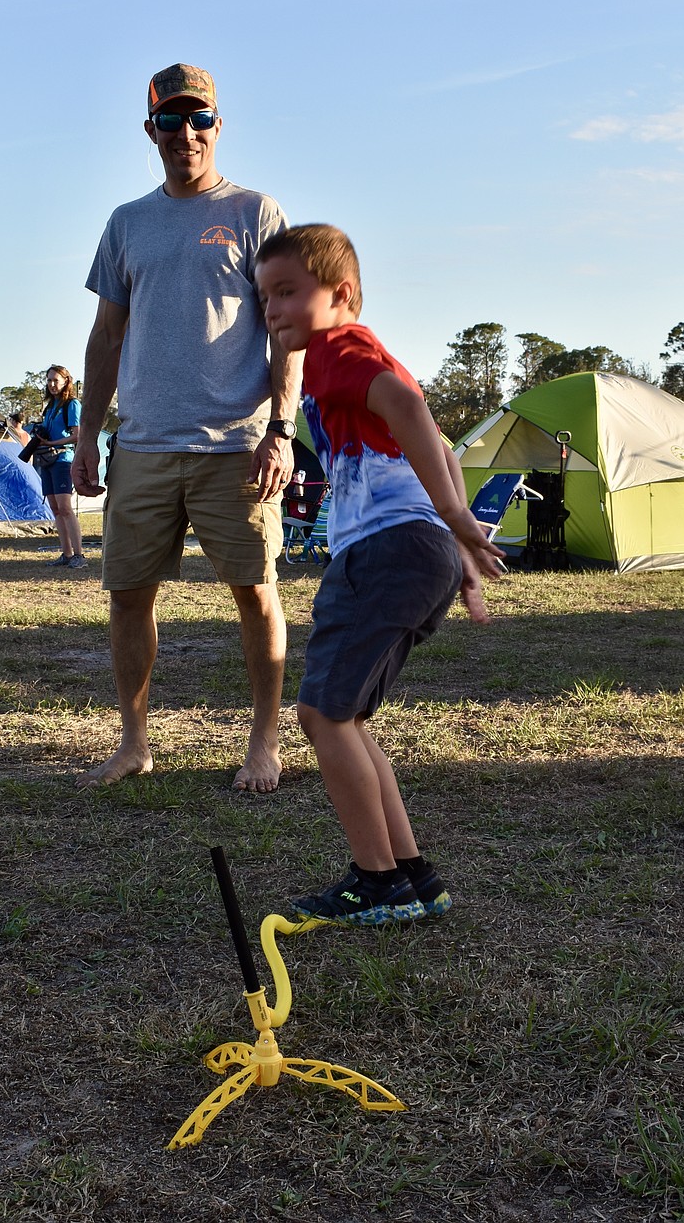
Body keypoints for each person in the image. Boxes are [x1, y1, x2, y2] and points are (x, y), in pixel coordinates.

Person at [254, 224, 507, 926]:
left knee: (322, 715)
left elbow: (406, 405)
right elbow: (445, 448)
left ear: (343, 295)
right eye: (264, 297)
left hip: (385, 550)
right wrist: (457, 555)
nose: (272, 309)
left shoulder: (338, 348)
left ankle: (376, 883)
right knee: (350, 718)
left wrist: (455, 519)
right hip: (411, 551)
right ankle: (410, 874)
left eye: (287, 293)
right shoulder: (348, 352)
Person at [71, 63, 302, 793]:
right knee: (128, 595)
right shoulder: (126, 223)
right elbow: (106, 337)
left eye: (199, 119)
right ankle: (134, 741)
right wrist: (86, 436)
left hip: (236, 447)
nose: (186, 133)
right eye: (170, 121)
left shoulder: (255, 213)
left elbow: (287, 333)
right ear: (151, 131)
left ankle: (264, 741)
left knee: (254, 590)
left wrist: (282, 430)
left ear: (218, 126)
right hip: (140, 445)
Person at [32, 365, 86, 569]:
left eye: (56, 380)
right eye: (49, 380)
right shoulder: (50, 406)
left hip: (63, 459)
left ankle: (79, 555)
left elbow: (77, 435)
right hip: (46, 460)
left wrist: (52, 444)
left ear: (66, 381)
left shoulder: (71, 404)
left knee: (65, 508)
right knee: (55, 509)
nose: (52, 384)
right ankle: (66, 553)